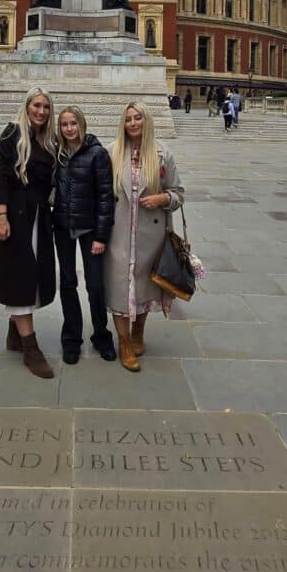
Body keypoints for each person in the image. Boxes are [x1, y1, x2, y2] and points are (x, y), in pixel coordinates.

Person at [0, 87, 58, 378]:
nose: (41, 111)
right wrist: (1, 217)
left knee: (32, 275)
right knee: (22, 276)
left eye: (46, 107)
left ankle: (14, 330)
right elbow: (1, 176)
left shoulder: (49, 140)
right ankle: (31, 348)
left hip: (39, 217)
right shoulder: (12, 134)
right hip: (14, 216)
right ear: (26, 107)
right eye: (36, 105)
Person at [103, 100, 185, 372]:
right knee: (119, 289)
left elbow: (179, 193)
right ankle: (124, 342)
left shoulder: (162, 154)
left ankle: (138, 333)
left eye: (138, 118)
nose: (133, 123)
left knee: (144, 289)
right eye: (128, 119)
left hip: (151, 236)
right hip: (118, 234)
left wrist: (163, 197)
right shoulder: (112, 153)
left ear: (146, 120)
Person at [53, 105, 116, 364]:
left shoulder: (97, 154)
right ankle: (71, 339)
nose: (69, 129)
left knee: (95, 285)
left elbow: (106, 197)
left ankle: (102, 336)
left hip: (90, 229)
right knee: (68, 284)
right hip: (62, 227)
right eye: (64, 124)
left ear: (82, 125)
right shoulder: (55, 153)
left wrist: (101, 236)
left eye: (73, 123)